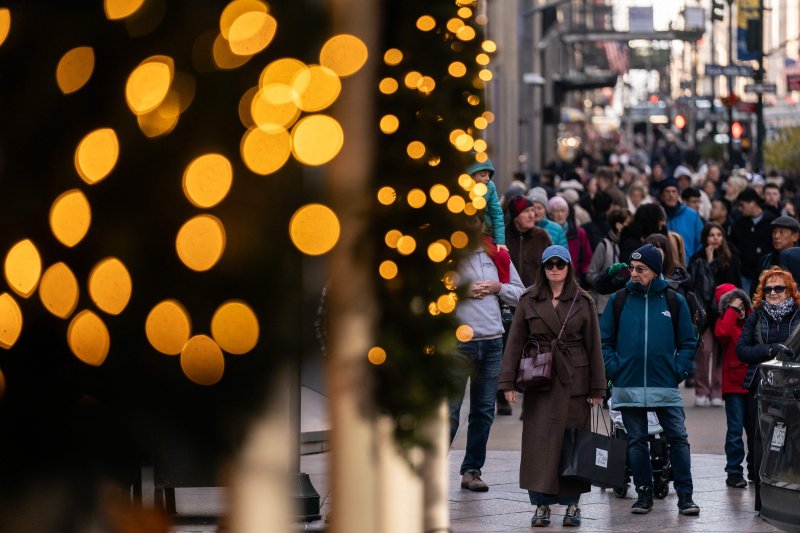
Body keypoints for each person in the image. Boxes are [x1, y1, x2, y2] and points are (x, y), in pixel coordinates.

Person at [499, 245, 606, 527]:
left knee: (573, 444)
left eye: (560, 264)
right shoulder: (528, 299)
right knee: (538, 444)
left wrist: (597, 389)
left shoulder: (583, 301)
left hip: (575, 381)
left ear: (569, 267)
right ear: (543, 268)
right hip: (539, 379)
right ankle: (541, 506)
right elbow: (514, 343)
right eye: (550, 264)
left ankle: (572, 506)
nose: (555, 268)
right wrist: (507, 381)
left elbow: (595, 346)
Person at [601, 244, 701, 516]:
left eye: (640, 269)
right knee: (636, 441)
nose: (634, 273)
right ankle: (643, 495)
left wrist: (677, 371)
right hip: (628, 383)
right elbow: (604, 341)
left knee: (678, 438)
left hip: (664, 384)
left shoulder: (673, 300)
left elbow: (689, 341)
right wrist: (614, 369)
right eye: (632, 268)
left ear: (655, 272)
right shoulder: (618, 300)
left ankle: (685, 496)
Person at [450, 215, 525, 492]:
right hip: (458, 343)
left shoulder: (497, 254)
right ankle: (432, 470)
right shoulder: (447, 253)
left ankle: (472, 470)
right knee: (450, 412)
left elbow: (521, 293)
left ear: (482, 225)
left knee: (483, 412)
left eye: (475, 220)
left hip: (493, 342)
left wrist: (498, 288)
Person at [736, 266, 800, 512]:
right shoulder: (757, 315)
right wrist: (771, 349)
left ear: (790, 291)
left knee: (792, 443)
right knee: (761, 441)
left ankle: (790, 496)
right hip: (761, 386)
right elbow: (742, 351)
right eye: (768, 288)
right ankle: (764, 501)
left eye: (779, 288)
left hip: (793, 387)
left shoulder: (797, 314)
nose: (773, 292)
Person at [495, 195, 552, 416]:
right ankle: (502, 396)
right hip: (506, 304)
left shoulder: (541, 236)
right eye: (526, 211)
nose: (532, 214)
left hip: (534, 302)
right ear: (515, 215)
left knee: (532, 354)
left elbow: (551, 267)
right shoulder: (502, 237)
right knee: (506, 351)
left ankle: (530, 399)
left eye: (532, 211)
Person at [687, 223, 742, 407]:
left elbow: (735, 284)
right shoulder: (698, 258)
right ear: (705, 238)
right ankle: (702, 390)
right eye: (712, 235)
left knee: (721, 354)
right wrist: (709, 263)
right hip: (704, 313)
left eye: (719, 234)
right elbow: (696, 286)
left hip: (723, 312)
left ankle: (718, 390)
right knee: (704, 350)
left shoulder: (731, 257)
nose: (715, 238)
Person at [714, 283, 753, 489]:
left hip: (752, 383)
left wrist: (746, 309)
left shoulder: (750, 319)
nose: (738, 309)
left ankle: (755, 469)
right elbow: (722, 332)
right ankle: (734, 472)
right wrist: (730, 310)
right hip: (733, 387)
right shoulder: (725, 322)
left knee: (755, 431)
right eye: (731, 304)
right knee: (735, 431)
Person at [467, 159, 511, 281]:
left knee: (503, 256)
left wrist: (500, 241)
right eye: (483, 175)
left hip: (484, 233)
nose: (487, 178)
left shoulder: (490, 187)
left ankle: (504, 285)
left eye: (488, 175)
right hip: (463, 236)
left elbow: (497, 213)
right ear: (472, 175)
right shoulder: (461, 189)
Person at [729, 188, 777, 294]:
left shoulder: (772, 221)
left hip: (767, 274)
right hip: (745, 274)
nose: (740, 209)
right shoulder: (738, 224)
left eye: (742, 205)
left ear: (752, 203)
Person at [587, 207, 630, 315]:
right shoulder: (604, 245)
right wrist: (605, 281)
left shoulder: (617, 245)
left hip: (615, 305)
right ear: (618, 225)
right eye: (627, 223)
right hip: (602, 307)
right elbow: (590, 274)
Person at [547, 195, 592, 287]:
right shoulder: (546, 232)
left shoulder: (579, 232)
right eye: (556, 211)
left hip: (574, 279)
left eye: (562, 210)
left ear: (567, 213)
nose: (559, 214)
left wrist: (582, 274)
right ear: (550, 214)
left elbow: (587, 257)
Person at [659, 177, 703, 265]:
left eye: (674, 191)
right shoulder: (656, 215)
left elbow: (701, 241)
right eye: (667, 191)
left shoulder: (692, 215)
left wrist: (694, 261)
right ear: (661, 195)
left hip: (688, 266)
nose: (671, 194)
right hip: (662, 267)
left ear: (678, 194)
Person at [754, 215, 800, 283]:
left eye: (781, 232)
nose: (776, 236)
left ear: (795, 236)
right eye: (774, 232)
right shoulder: (765, 261)